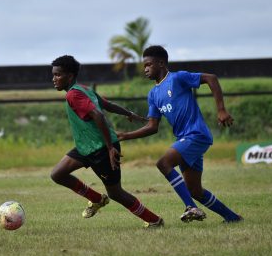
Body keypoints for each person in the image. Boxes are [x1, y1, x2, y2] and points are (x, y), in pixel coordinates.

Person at [117, 45, 242, 223]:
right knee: (194, 191)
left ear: (161, 63)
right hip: (185, 139)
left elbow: (211, 78)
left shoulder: (178, 78)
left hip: (196, 135)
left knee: (163, 163)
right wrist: (125, 136)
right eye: (144, 65)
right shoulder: (153, 94)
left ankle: (191, 208)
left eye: (148, 64)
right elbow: (152, 126)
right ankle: (232, 218)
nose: (145, 69)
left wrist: (221, 110)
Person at [50, 55, 163, 228]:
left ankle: (154, 220)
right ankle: (96, 199)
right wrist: (128, 113)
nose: (54, 79)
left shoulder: (74, 94)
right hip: (85, 147)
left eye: (58, 75)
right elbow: (106, 104)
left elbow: (99, 114)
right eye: (53, 75)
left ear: (70, 76)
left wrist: (110, 148)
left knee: (116, 193)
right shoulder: (83, 89)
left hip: (102, 149)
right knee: (58, 174)